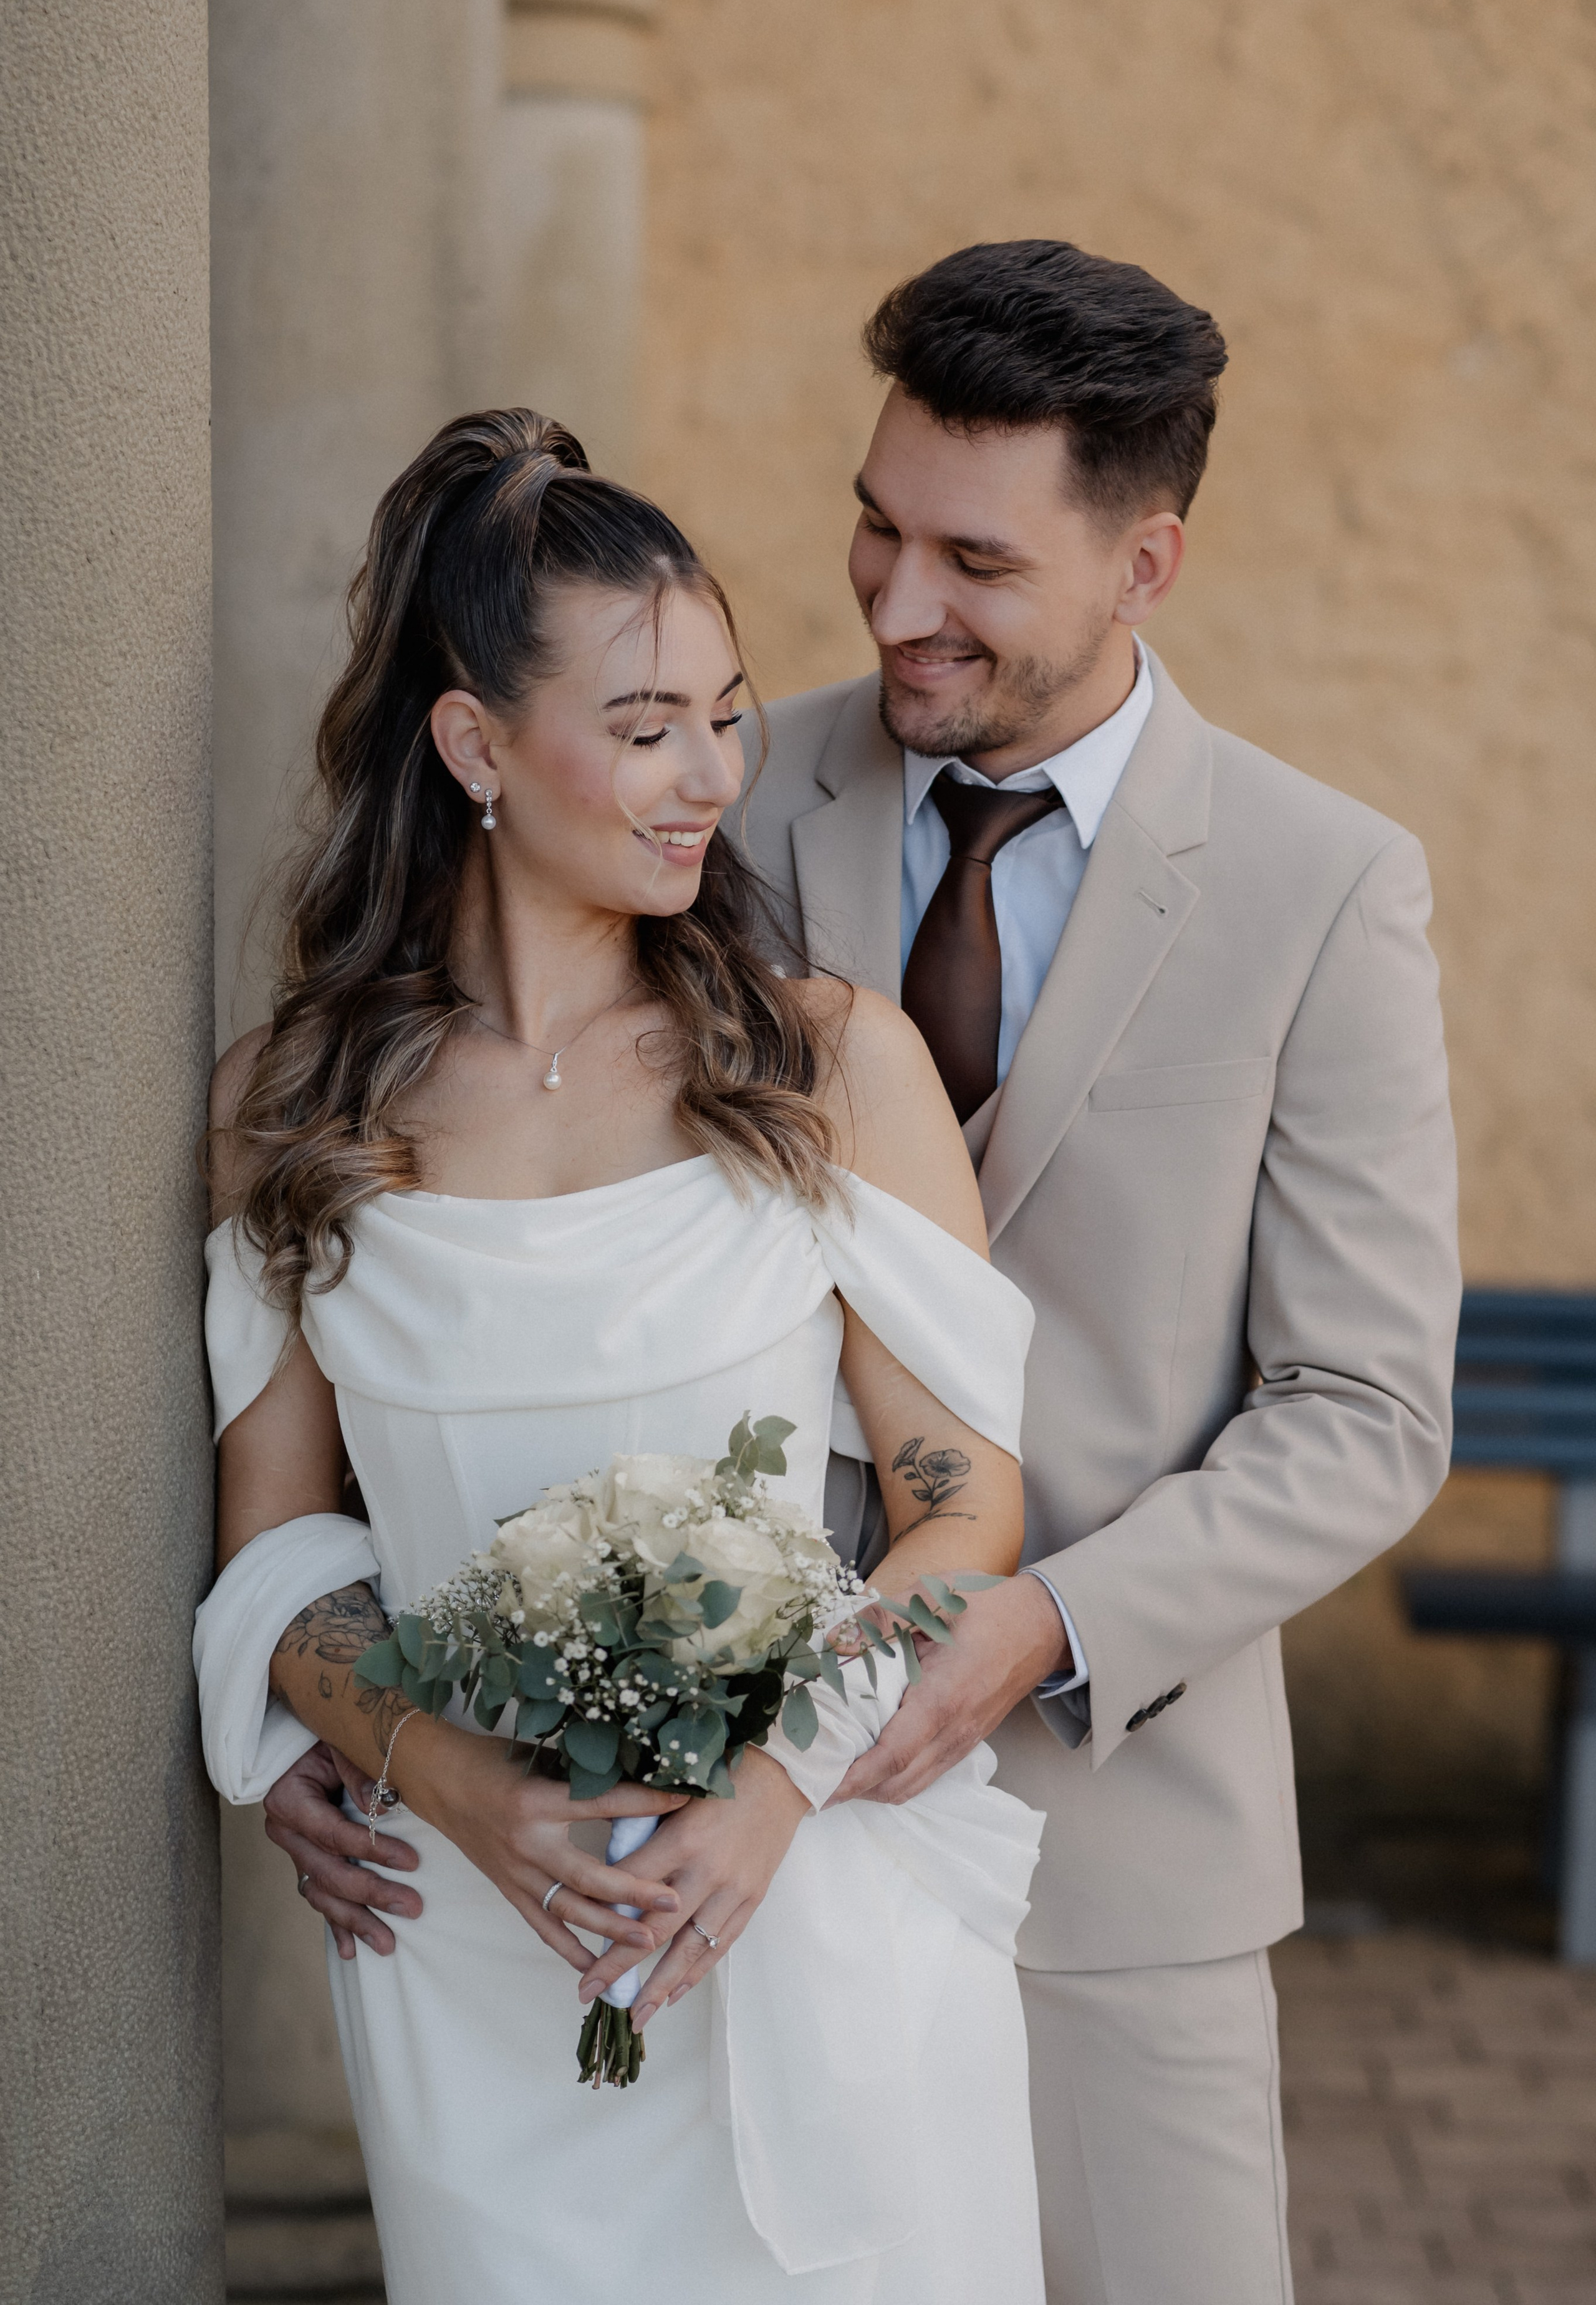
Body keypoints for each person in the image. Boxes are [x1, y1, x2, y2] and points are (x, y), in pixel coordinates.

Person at [271, 243, 1463, 2303]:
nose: (899, 604)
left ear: (1143, 564)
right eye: (875, 525)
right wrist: (367, 1720)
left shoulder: (1319, 887)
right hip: (680, 1840)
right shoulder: (696, 786)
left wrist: (1042, 1623)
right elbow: (500, 1260)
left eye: (975, 561)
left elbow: (1365, 1414)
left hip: (1116, 1838)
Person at [195, 409, 1049, 2305]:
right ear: (475, 745)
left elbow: (962, 1505)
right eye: (649, 726)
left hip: (804, 1908)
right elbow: (276, 1547)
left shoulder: (825, 1066)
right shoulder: (295, 1107)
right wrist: (449, 1778)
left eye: (727, 716)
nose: (710, 777)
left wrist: (773, 1796)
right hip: (471, 1957)